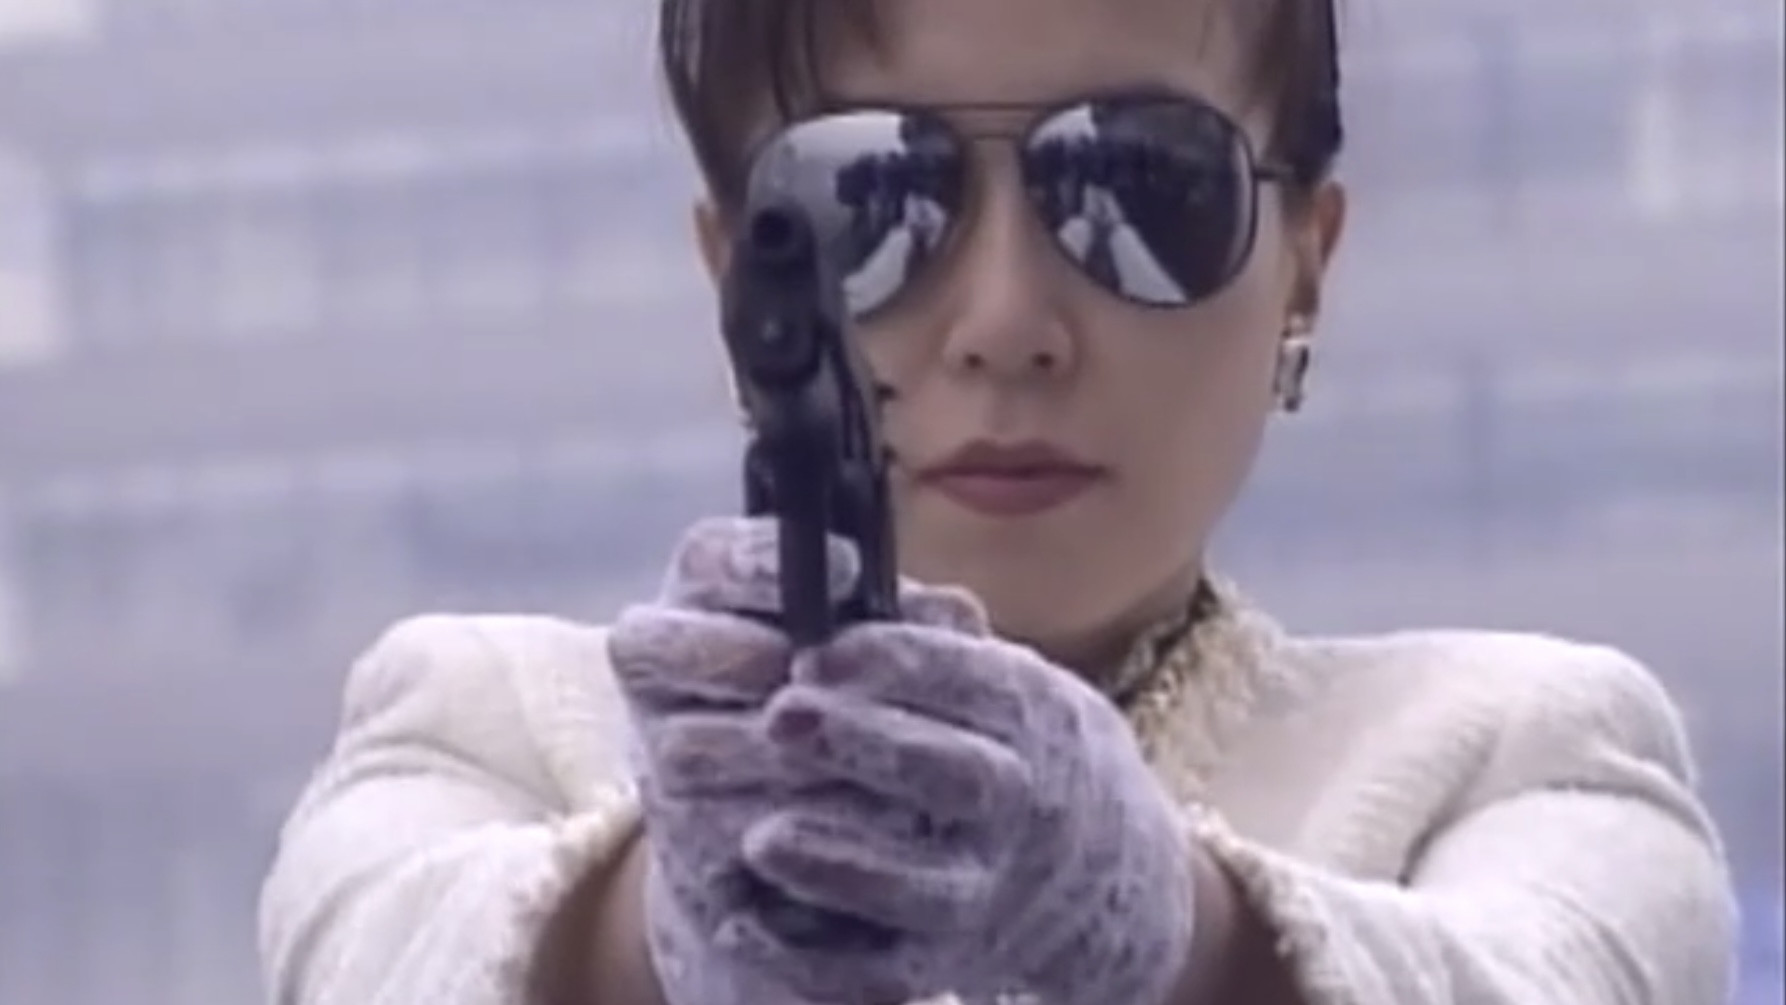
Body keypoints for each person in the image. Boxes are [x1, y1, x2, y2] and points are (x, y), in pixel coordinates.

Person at [256, 0, 1740, 1002]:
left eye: (1138, 186)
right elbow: (376, 955)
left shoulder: (1526, 755)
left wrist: (1160, 921)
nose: (1007, 320)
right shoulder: (481, 731)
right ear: (737, 277)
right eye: (866, 199)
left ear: (1304, 260)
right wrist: (655, 924)